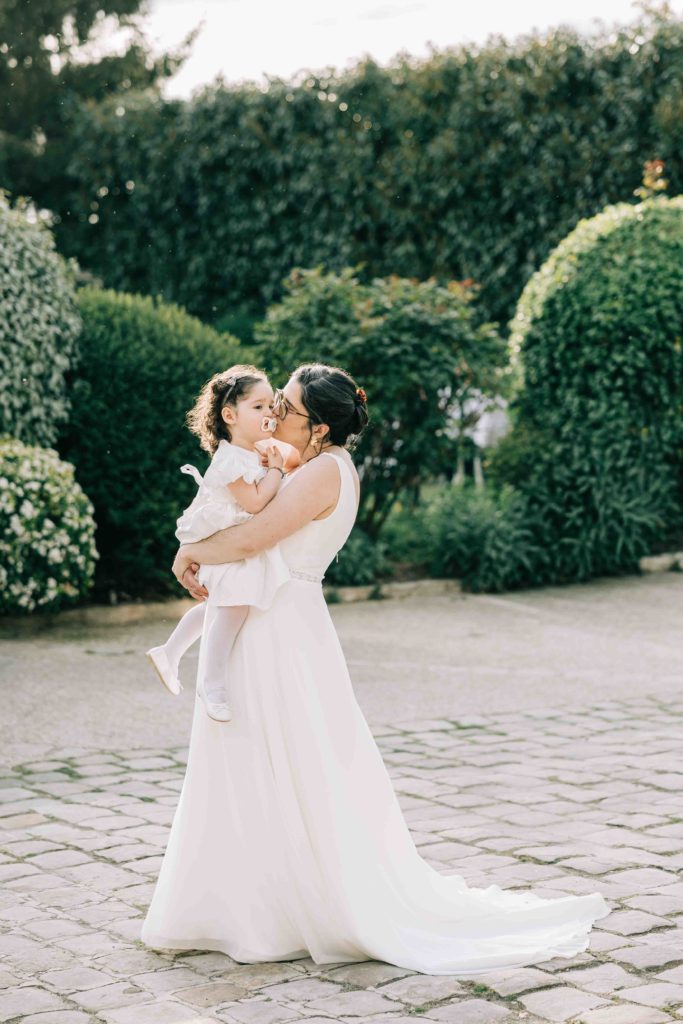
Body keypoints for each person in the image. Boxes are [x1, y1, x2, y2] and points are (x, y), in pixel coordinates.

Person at [140, 362, 611, 975]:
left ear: (321, 424)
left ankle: (286, 910)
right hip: (272, 625)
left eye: (287, 406)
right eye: (274, 403)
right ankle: (237, 907)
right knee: (252, 764)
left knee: (291, 764)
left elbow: (253, 540)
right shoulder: (304, 466)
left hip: (282, 633)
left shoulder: (323, 474)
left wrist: (187, 551)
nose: (276, 414)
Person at [146, 364, 294, 722]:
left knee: (222, 604)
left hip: (233, 539)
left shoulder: (250, 453)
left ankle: (169, 651)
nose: (269, 413)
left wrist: (273, 462)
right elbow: (256, 502)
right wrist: (275, 469)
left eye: (270, 405)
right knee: (233, 607)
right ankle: (212, 685)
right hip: (224, 538)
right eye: (257, 407)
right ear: (230, 415)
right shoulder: (229, 460)